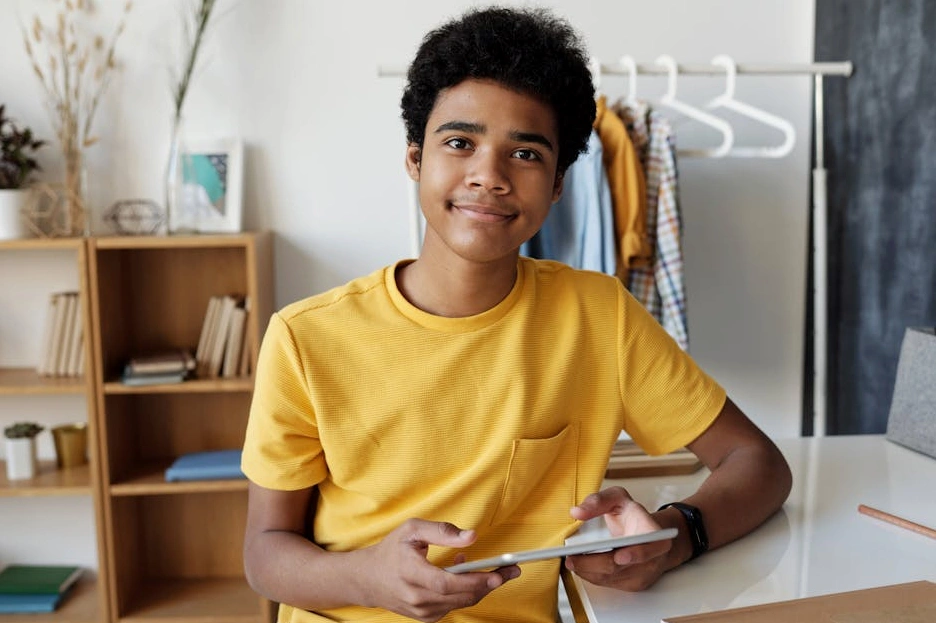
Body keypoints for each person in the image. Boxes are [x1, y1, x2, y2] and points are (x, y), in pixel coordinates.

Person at [241, 6, 792, 623]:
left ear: (558, 184)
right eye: (459, 143)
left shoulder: (599, 316)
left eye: (525, 154)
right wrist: (367, 579)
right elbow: (264, 553)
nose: (489, 176)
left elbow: (759, 464)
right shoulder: (303, 337)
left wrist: (670, 537)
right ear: (415, 159)